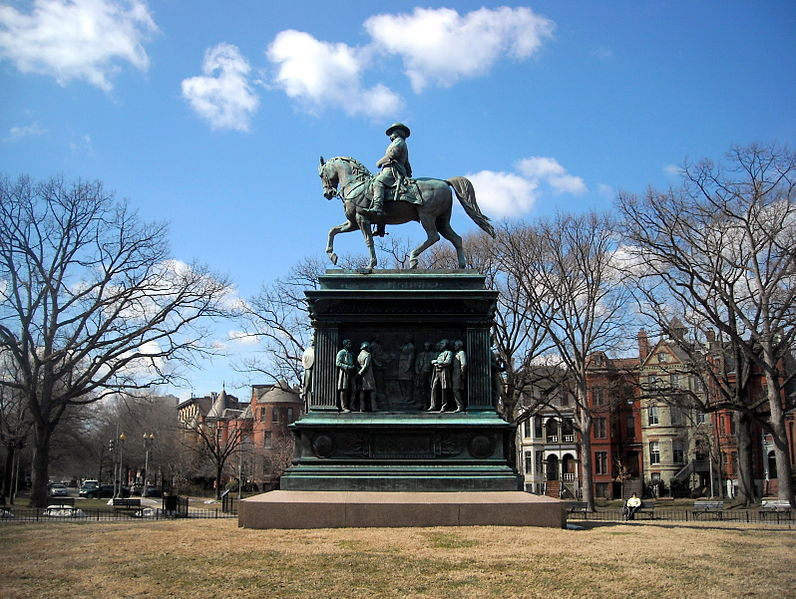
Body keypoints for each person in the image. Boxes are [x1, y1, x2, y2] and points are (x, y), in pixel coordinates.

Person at [365, 122, 412, 219]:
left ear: (398, 132)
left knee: (378, 182)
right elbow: (407, 162)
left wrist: (380, 162)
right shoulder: (398, 142)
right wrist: (408, 171)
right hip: (390, 169)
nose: (390, 135)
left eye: (392, 132)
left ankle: (377, 207)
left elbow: (393, 154)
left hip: (393, 170)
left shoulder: (399, 141)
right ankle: (380, 225)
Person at [428, 339, 453, 412]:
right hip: (436, 372)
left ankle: (444, 406)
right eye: (440, 344)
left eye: (442, 344)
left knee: (444, 389)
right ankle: (433, 405)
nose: (440, 345)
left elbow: (447, 362)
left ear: (446, 345)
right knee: (434, 388)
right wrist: (435, 362)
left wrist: (437, 362)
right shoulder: (438, 353)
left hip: (444, 372)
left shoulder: (448, 353)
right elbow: (432, 361)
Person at [356, 341, 377, 412]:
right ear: (366, 347)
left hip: (361, 376)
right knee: (372, 391)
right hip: (368, 375)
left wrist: (359, 372)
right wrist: (360, 372)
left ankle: (362, 408)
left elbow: (357, 365)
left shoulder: (359, 355)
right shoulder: (368, 354)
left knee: (362, 391)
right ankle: (374, 408)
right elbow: (366, 365)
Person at [336, 339, 356, 413]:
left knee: (354, 389)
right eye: (349, 344)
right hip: (344, 372)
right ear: (345, 345)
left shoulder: (351, 353)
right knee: (344, 389)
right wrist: (347, 367)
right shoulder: (341, 353)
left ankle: (351, 405)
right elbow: (338, 363)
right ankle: (344, 407)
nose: (350, 345)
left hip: (351, 373)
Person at [451, 340, 466, 413]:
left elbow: (463, 364)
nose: (454, 346)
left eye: (455, 345)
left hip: (458, 373)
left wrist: (462, 374)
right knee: (454, 390)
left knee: (456, 389)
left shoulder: (461, 353)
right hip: (454, 373)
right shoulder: (456, 353)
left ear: (459, 346)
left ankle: (460, 406)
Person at [300, 337, 315, 412]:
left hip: (316, 374)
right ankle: (308, 408)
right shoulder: (308, 351)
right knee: (308, 387)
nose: (312, 341)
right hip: (309, 371)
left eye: (313, 340)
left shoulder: (319, 350)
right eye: (311, 340)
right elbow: (305, 362)